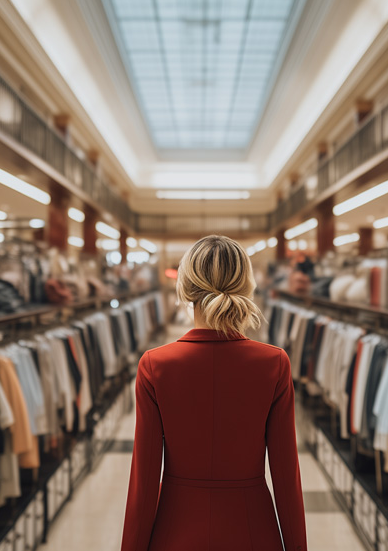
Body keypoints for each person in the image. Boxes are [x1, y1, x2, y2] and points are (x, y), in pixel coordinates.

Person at [121, 235, 308, 551]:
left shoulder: (154, 365)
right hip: (253, 530)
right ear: (246, 287)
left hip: (174, 531)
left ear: (185, 289)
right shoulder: (274, 363)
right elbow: (286, 479)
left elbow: (144, 481)